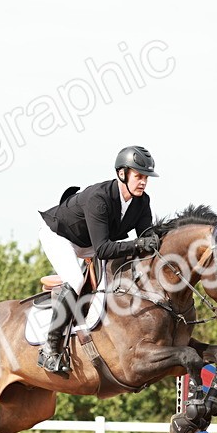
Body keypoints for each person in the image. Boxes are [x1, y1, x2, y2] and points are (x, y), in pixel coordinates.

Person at [36, 145, 162, 374]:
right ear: (122, 174)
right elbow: (103, 249)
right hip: (60, 235)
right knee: (75, 280)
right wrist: (138, 244)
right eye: (139, 176)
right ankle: (50, 349)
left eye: (146, 178)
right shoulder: (99, 198)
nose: (143, 182)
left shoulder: (142, 202)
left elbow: (146, 238)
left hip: (90, 243)